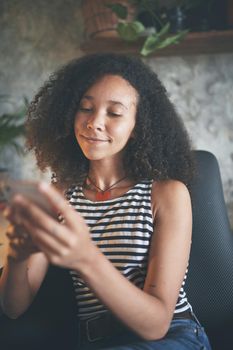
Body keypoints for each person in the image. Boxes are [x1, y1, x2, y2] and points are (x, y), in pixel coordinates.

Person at [0, 53, 212, 349]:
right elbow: (13, 307)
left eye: (114, 113)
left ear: (138, 125)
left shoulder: (166, 194)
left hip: (172, 337)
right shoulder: (60, 195)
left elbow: (156, 324)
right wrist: (17, 254)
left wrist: (85, 258)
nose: (94, 123)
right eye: (85, 108)